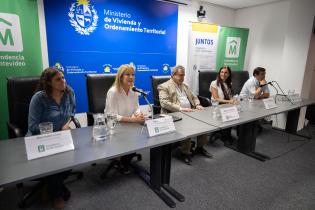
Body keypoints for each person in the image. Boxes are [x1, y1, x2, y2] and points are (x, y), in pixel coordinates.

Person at [27, 67, 75, 209]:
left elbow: (72, 112)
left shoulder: (69, 93)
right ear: (48, 83)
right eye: (58, 79)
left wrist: (67, 125)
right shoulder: (39, 98)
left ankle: (49, 186)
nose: (63, 81)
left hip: (61, 138)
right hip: (40, 140)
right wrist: (57, 130)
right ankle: (57, 194)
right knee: (54, 163)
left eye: (63, 77)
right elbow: (33, 126)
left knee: (71, 160)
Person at [158, 65, 213, 165]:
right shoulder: (164, 86)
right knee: (187, 127)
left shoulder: (185, 86)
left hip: (190, 112)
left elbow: (194, 97)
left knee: (204, 124)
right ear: (173, 75)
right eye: (180, 75)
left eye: (183, 75)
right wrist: (181, 109)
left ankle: (200, 148)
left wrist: (197, 104)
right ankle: (185, 153)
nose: (182, 78)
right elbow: (164, 103)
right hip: (174, 114)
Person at [105, 64, 145, 173]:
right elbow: (112, 116)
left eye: (133, 74)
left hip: (129, 122)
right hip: (114, 125)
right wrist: (134, 120)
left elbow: (136, 107)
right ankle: (122, 162)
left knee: (139, 136)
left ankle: (125, 159)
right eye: (127, 74)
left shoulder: (134, 91)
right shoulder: (113, 92)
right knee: (129, 140)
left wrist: (138, 114)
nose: (131, 77)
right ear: (120, 77)